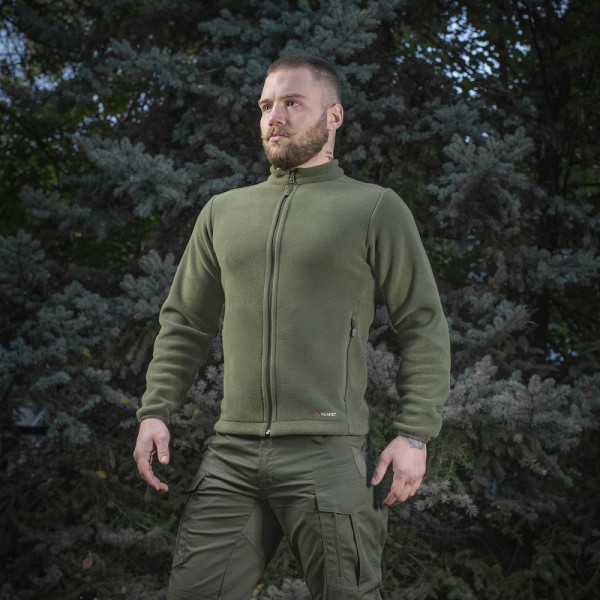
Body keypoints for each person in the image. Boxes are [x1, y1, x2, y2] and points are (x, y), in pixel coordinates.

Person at [133, 53, 451, 600]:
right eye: (266, 105)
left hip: (327, 454)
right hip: (231, 456)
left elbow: (422, 322)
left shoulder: (374, 208)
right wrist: (155, 409)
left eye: (292, 103)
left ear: (334, 116)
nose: (273, 117)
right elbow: (185, 321)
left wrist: (414, 434)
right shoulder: (223, 212)